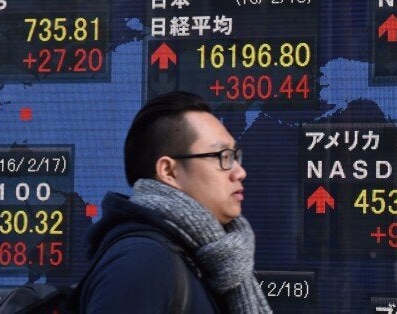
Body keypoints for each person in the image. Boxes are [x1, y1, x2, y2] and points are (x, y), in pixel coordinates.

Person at [79, 91, 272, 313]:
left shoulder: (204, 261)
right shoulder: (143, 262)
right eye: (222, 157)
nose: (240, 172)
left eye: (235, 156)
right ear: (169, 171)